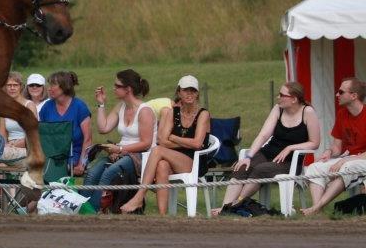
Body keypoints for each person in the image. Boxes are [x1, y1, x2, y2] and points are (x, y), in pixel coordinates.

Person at [211, 81, 320, 215]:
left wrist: (290, 148)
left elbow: (315, 142)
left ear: (294, 99)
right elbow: (263, 135)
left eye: (282, 95)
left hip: (289, 162)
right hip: (268, 153)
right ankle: (225, 207)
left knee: (260, 169)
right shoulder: (278, 109)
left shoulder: (307, 112)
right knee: (242, 167)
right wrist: (248, 157)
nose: (278, 98)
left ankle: (233, 206)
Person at [120, 75, 212, 215]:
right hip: (174, 158)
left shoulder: (203, 114)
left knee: (157, 151)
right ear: (179, 92)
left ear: (197, 93)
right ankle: (163, 217)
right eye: (186, 90)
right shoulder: (171, 112)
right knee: (162, 166)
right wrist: (184, 142)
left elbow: (197, 143)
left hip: (195, 161)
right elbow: (162, 139)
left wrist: (174, 137)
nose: (189, 94)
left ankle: (139, 196)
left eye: (193, 91)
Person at [82, 69, 156, 212]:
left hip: (141, 156)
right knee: (92, 173)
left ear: (128, 89)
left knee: (108, 173)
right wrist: (101, 104)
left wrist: (121, 150)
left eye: (117, 86)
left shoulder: (144, 111)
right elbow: (103, 128)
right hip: (121, 152)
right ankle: (83, 210)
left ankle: (96, 212)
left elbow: (146, 143)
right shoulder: (121, 106)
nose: (114, 89)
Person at [301, 77, 366, 215]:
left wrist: (344, 160)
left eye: (341, 92)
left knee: (347, 167)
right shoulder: (342, 114)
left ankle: (316, 208)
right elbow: (337, 147)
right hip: (350, 158)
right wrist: (329, 152)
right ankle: (319, 213)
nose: (337, 95)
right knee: (314, 167)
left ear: (354, 96)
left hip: (360, 160)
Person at [38, 71, 92, 175]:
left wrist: (82, 164)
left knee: (54, 170)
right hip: (51, 155)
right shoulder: (46, 107)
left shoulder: (80, 107)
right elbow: (42, 136)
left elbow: (88, 139)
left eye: (53, 85)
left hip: (74, 154)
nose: (49, 88)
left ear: (64, 87)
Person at [0, 72, 38, 169]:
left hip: (26, 148)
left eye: (15, 85)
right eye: (9, 85)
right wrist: (5, 145)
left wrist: (14, 144)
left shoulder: (29, 106)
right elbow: (2, 134)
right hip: (8, 148)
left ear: (21, 87)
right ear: (5, 88)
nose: (12, 88)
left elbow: (32, 134)